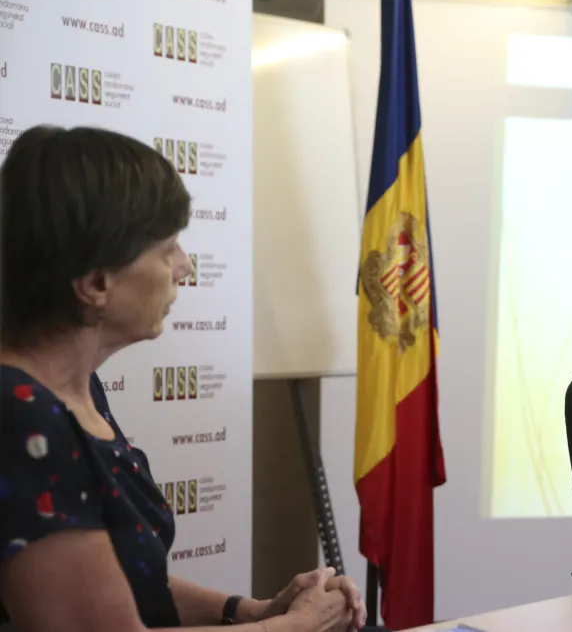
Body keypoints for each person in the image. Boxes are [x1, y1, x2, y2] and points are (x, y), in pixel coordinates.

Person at [0, 126, 371, 631]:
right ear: (96, 282)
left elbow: (128, 579)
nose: (185, 267)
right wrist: (296, 627)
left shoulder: (76, 392)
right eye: (168, 247)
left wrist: (250, 611)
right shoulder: (21, 413)